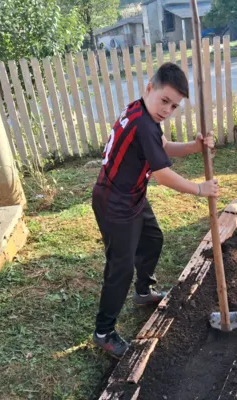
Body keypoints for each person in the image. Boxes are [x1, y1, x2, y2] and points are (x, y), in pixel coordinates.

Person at [91, 62, 219, 358]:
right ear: (150, 88)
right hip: (115, 202)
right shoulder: (143, 124)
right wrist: (200, 189)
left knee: (152, 238)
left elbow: (163, 146)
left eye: (174, 106)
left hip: (131, 194)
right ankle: (103, 331)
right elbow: (162, 175)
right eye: (164, 101)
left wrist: (194, 146)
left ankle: (143, 291)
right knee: (120, 267)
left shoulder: (141, 111)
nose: (167, 110)